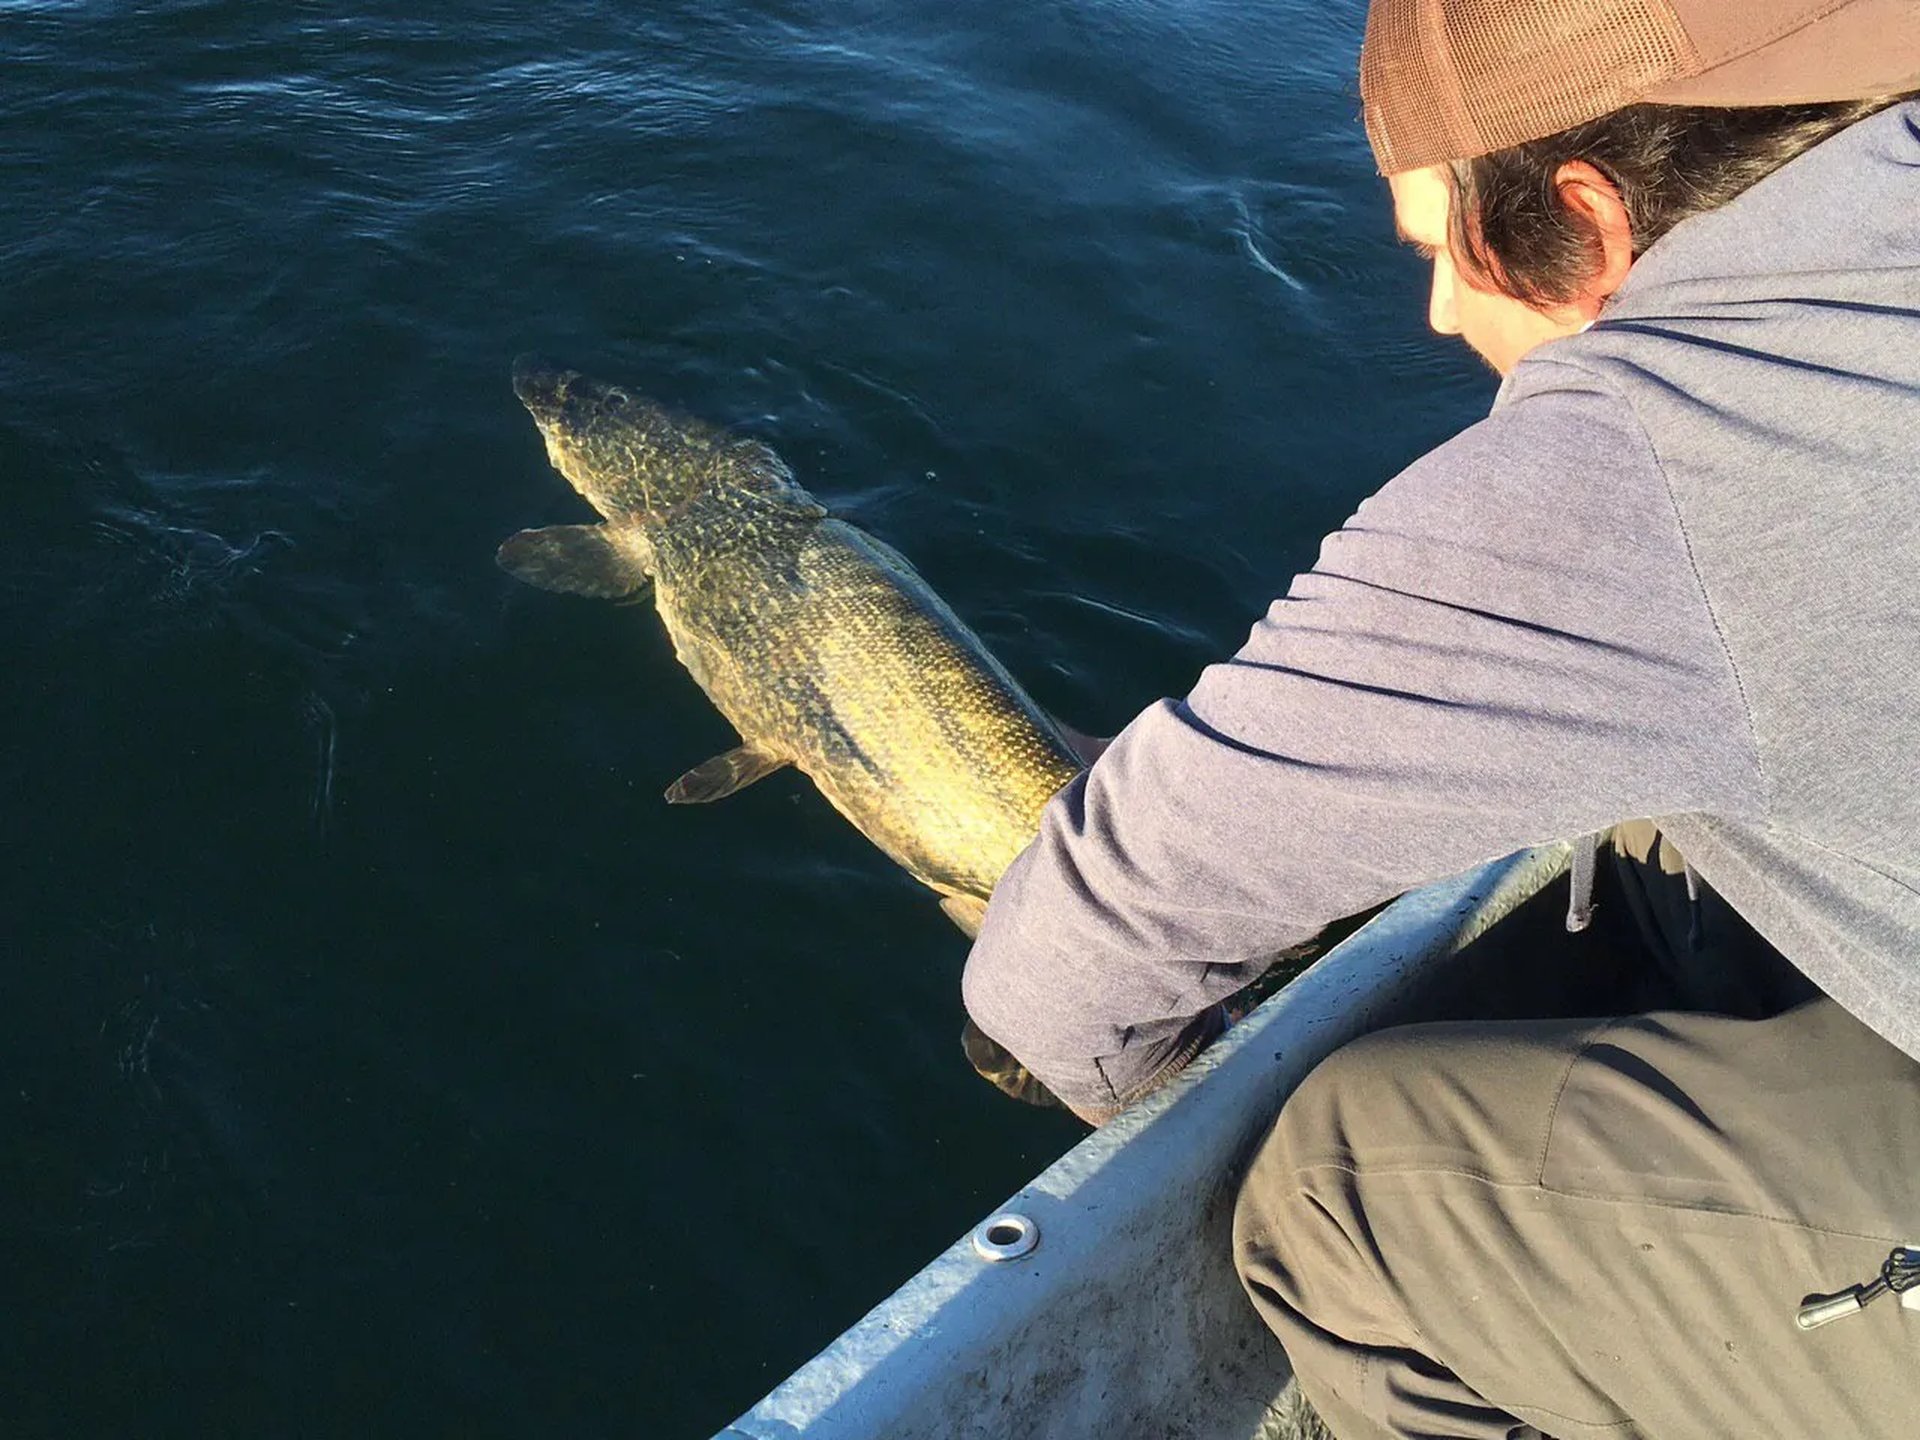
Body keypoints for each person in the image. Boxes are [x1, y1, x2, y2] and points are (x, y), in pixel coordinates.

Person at [961, 0, 1920, 1434]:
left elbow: (1067, 965)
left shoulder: (1654, 455)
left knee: (1340, 1198)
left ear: (1589, 216)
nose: (1439, 314)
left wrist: (1137, 1085)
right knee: (1664, 836)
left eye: (1437, 250)